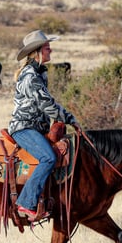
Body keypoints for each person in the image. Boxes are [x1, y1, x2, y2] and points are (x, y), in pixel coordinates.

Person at [8, 29, 80, 221]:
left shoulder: (40, 73)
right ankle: (26, 202)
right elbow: (47, 104)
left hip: (37, 129)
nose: (51, 52)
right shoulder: (30, 75)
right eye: (48, 48)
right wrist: (70, 118)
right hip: (24, 128)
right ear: (38, 52)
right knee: (48, 158)